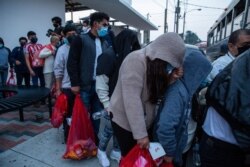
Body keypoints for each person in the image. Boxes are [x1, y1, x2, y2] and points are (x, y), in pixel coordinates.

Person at [109, 32, 186, 157]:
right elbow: (132, 100)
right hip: (124, 121)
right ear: (162, 54)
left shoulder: (155, 64)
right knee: (131, 158)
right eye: (170, 62)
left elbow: (154, 90)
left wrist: (171, 78)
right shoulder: (135, 60)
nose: (169, 66)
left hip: (144, 120)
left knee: (141, 159)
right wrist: (141, 134)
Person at [154, 47, 212, 167]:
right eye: (201, 74)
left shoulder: (188, 88)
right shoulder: (178, 92)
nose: (203, 79)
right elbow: (165, 127)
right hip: (170, 154)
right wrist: (169, 153)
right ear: (193, 71)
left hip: (181, 149)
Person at [200, 29, 250, 167]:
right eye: (246, 44)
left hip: (232, 148)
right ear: (231, 46)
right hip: (219, 147)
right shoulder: (224, 67)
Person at [95, 29, 141, 166]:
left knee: (120, 128)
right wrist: (106, 104)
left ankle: (116, 150)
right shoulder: (108, 56)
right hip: (110, 101)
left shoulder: (123, 54)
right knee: (108, 129)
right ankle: (101, 151)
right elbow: (101, 84)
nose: (132, 47)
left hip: (122, 99)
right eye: (130, 44)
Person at [67, 12, 110, 141]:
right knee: (82, 115)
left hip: (99, 86)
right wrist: (74, 83)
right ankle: (80, 141)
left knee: (96, 115)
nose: (106, 28)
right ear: (96, 24)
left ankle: (93, 140)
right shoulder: (80, 39)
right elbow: (72, 62)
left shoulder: (104, 42)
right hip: (84, 85)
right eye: (104, 24)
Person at [54, 24, 77, 142]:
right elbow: (58, 71)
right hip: (67, 87)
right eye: (70, 35)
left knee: (79, 113)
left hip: (80, 87)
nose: (72, 37)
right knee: (68, 113)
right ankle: (68, 136)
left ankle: (78, 133)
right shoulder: (62, 50)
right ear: (64, 36)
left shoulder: (80, 47)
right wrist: (58, 89)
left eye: (74, 34)